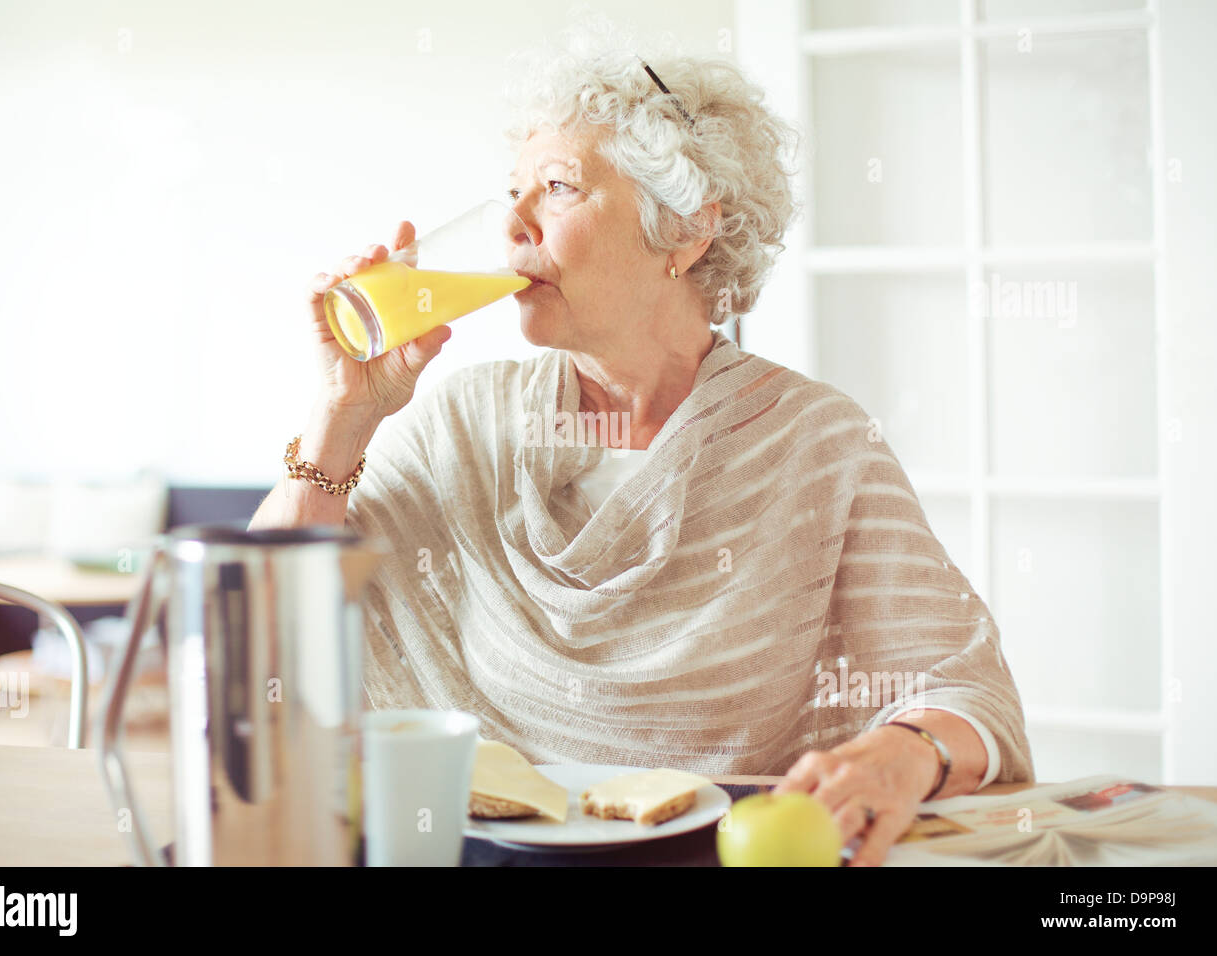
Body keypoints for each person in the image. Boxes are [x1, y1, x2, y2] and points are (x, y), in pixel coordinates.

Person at [249, 20, 1033, 866]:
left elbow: (963, 688)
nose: (512, 226)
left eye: (556, 188)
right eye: (511, 191)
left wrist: (902, 753)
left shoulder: (817, 445)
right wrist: (344, 414)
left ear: (689, 230)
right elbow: (257, 626)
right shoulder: (464, 425)